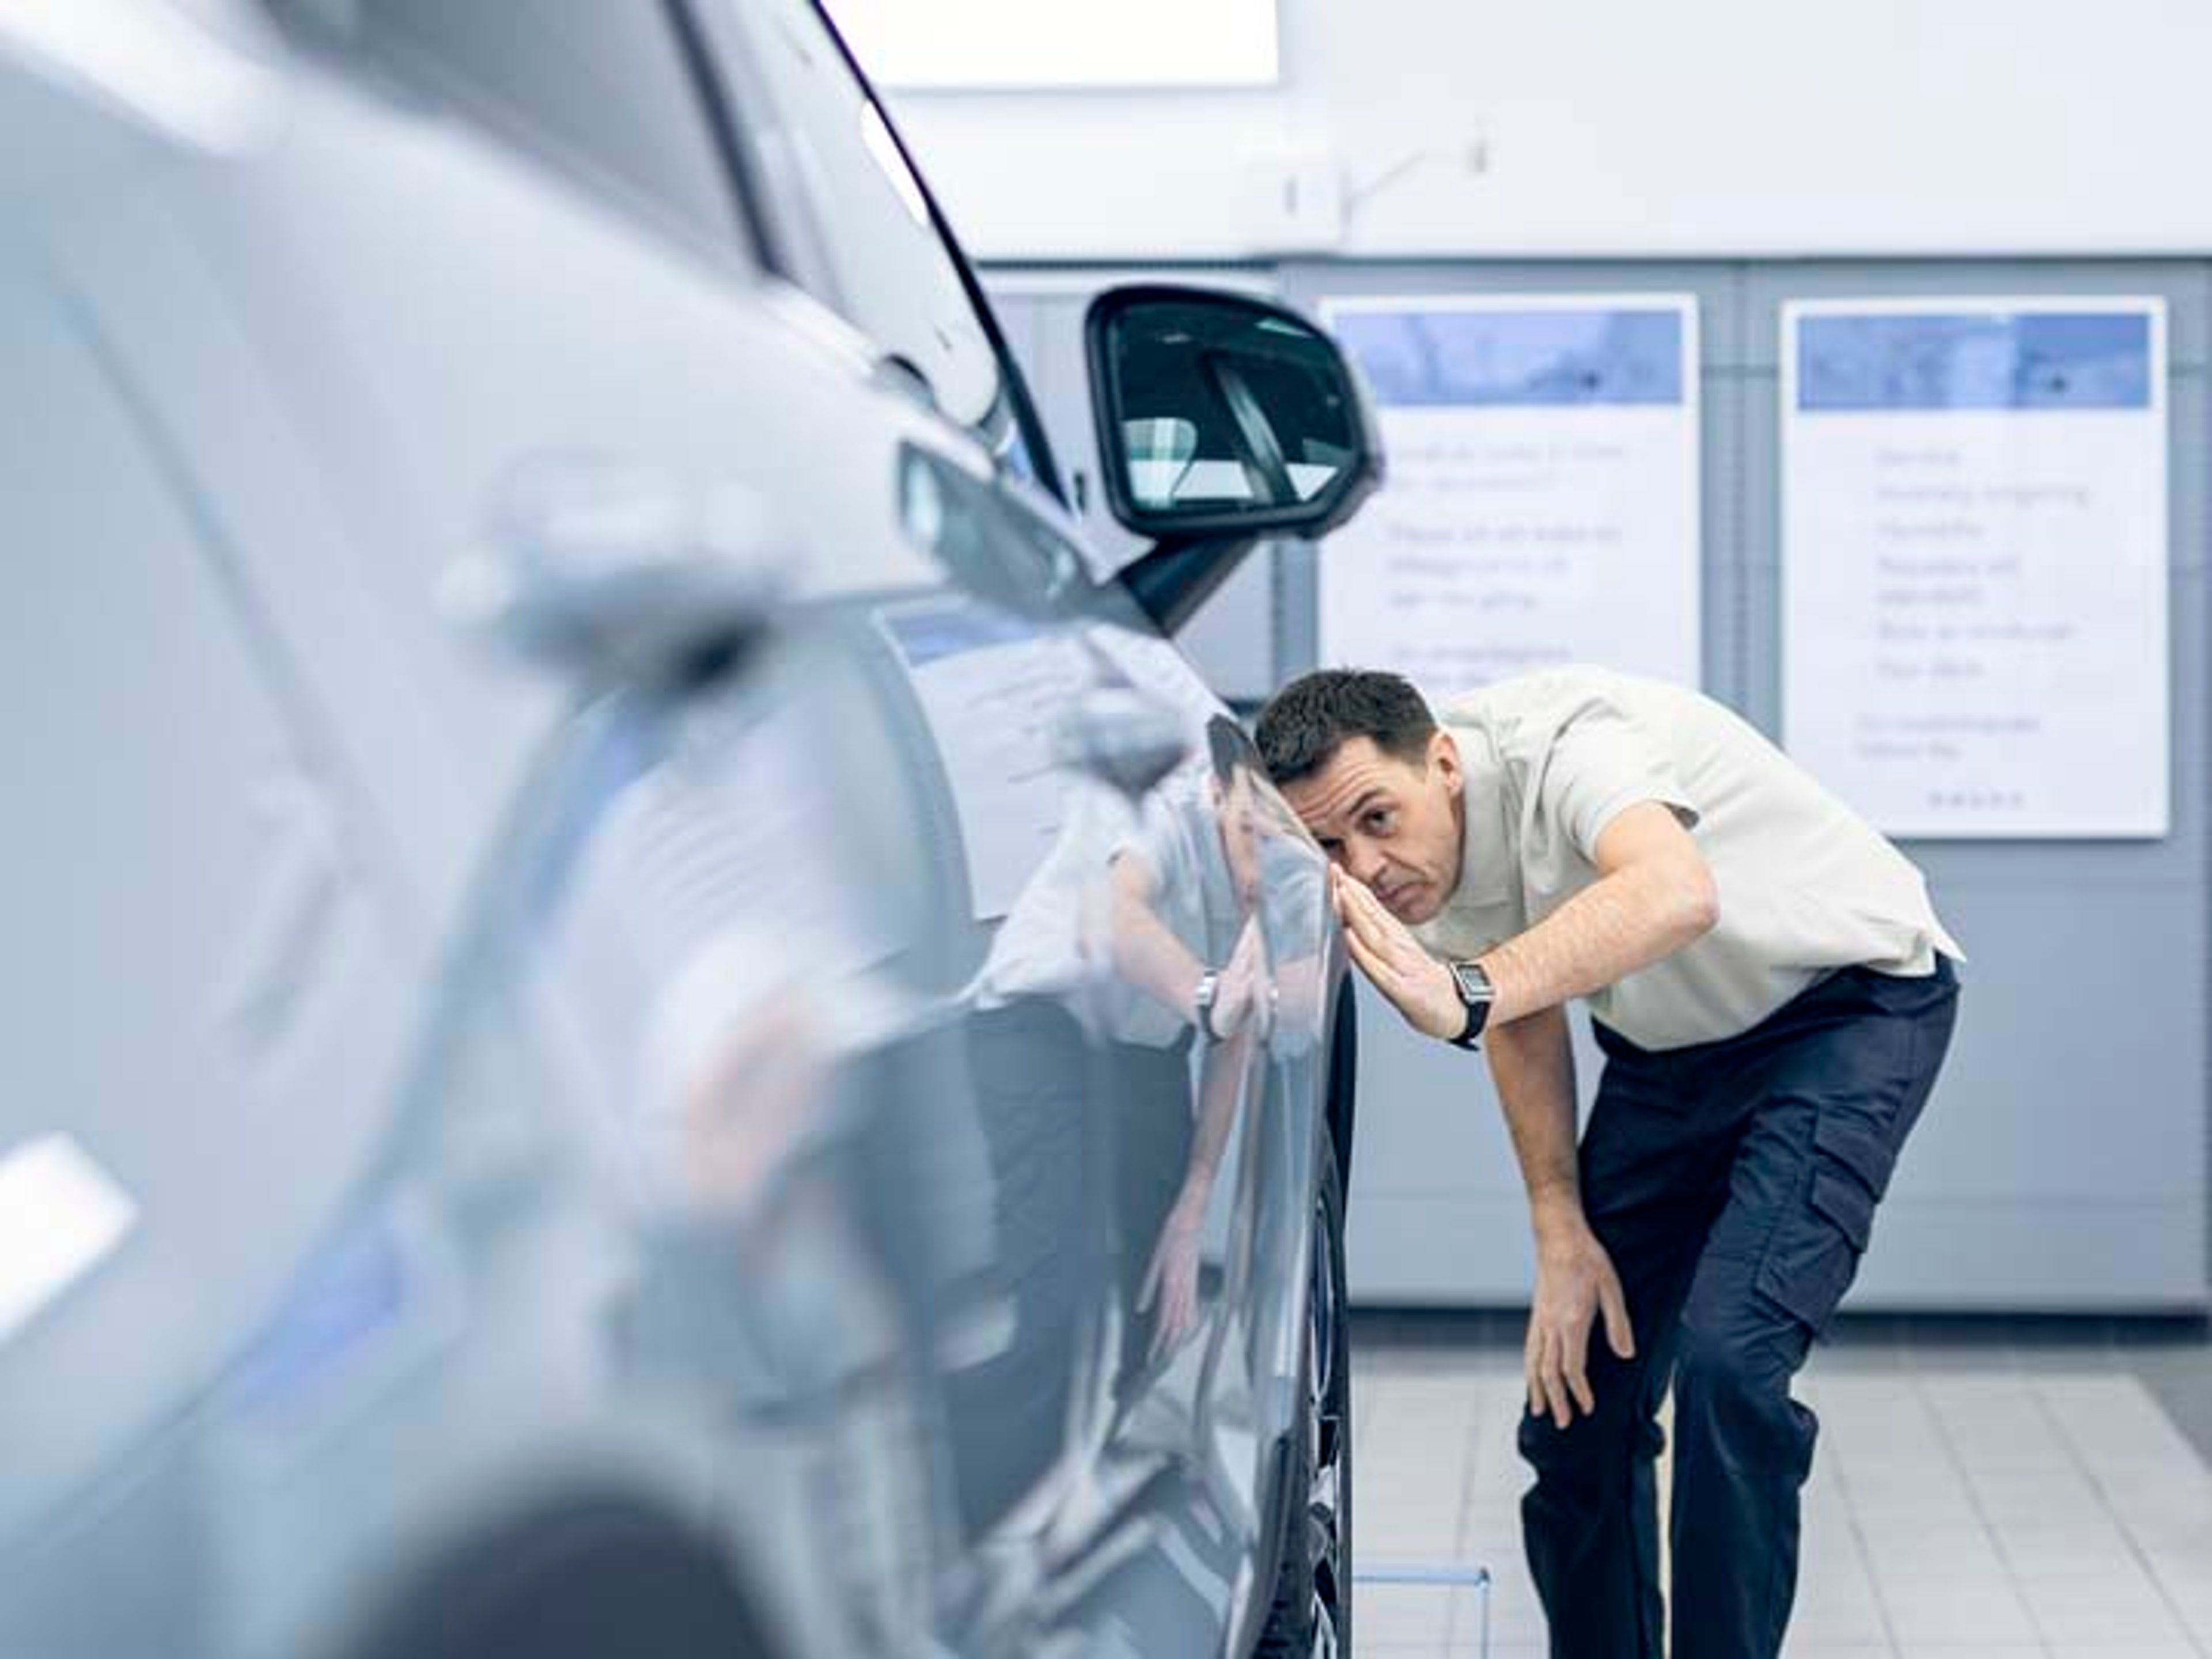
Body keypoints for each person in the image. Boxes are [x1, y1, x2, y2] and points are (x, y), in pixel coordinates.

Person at [1254, 664, 1961, 1659]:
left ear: (1444, 764)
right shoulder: (1416, 870)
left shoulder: (1572, 744)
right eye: (1330, 845)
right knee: (1575, 1404)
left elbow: (1677, 892)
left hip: (1845, 1010)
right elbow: (1518, 1017)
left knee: (1729, 1371)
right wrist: (1561, 1230)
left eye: (1377, 819)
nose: (1366, 866)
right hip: (1670, 1059)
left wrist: (1469, 991)